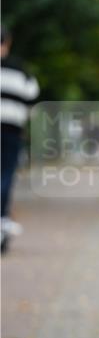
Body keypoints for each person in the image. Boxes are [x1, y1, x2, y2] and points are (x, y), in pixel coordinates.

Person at [1, 25, 39, 253]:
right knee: (5, 175)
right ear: (7, 42)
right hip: (11, 131)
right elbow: (32, 100)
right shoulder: (20, 71)